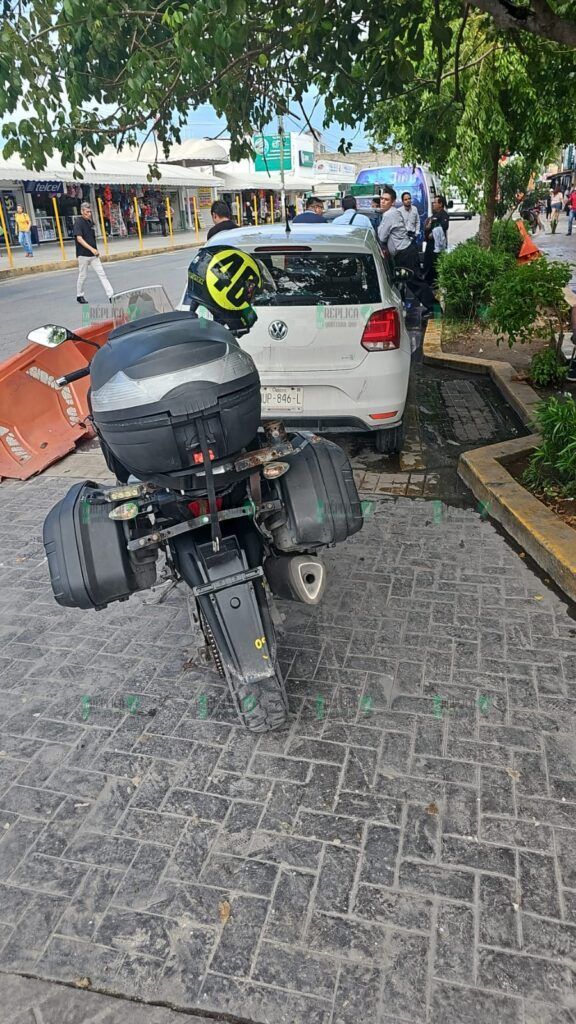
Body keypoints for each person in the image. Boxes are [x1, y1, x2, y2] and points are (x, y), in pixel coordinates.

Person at [378, 187, 435, 309]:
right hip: (404, 252)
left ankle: (435, 309)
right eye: (382, 199)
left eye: (386, 200)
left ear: (392, 202)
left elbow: (381, 237)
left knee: (416, 283)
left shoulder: (389, 214)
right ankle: (432, 308)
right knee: (412, 283)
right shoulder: (393, 213)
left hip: (405, 254)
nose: (382, 201)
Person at [74, 202, 113, 304]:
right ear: (82, 211)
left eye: (90, 212)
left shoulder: (90, 222)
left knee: (102, 274)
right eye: (87, 212)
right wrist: (92, 249)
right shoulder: (78, 222)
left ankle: (111, 295)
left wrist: (95, 250)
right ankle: (79, 295)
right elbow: (79, 238)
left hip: (94, 255)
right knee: (83, 276)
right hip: (83, 254)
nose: (89, 214)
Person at [423, 197, 449, 286]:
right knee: (427, 264)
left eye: (435, 202)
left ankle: (436, 284)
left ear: (440, 204)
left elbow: (444, 227)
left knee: (435, 266)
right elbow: (427, 227)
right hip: (429, 245)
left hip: (437, 246)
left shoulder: (444, 215)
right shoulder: (433, 215)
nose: (433, 204)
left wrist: (433, 234)